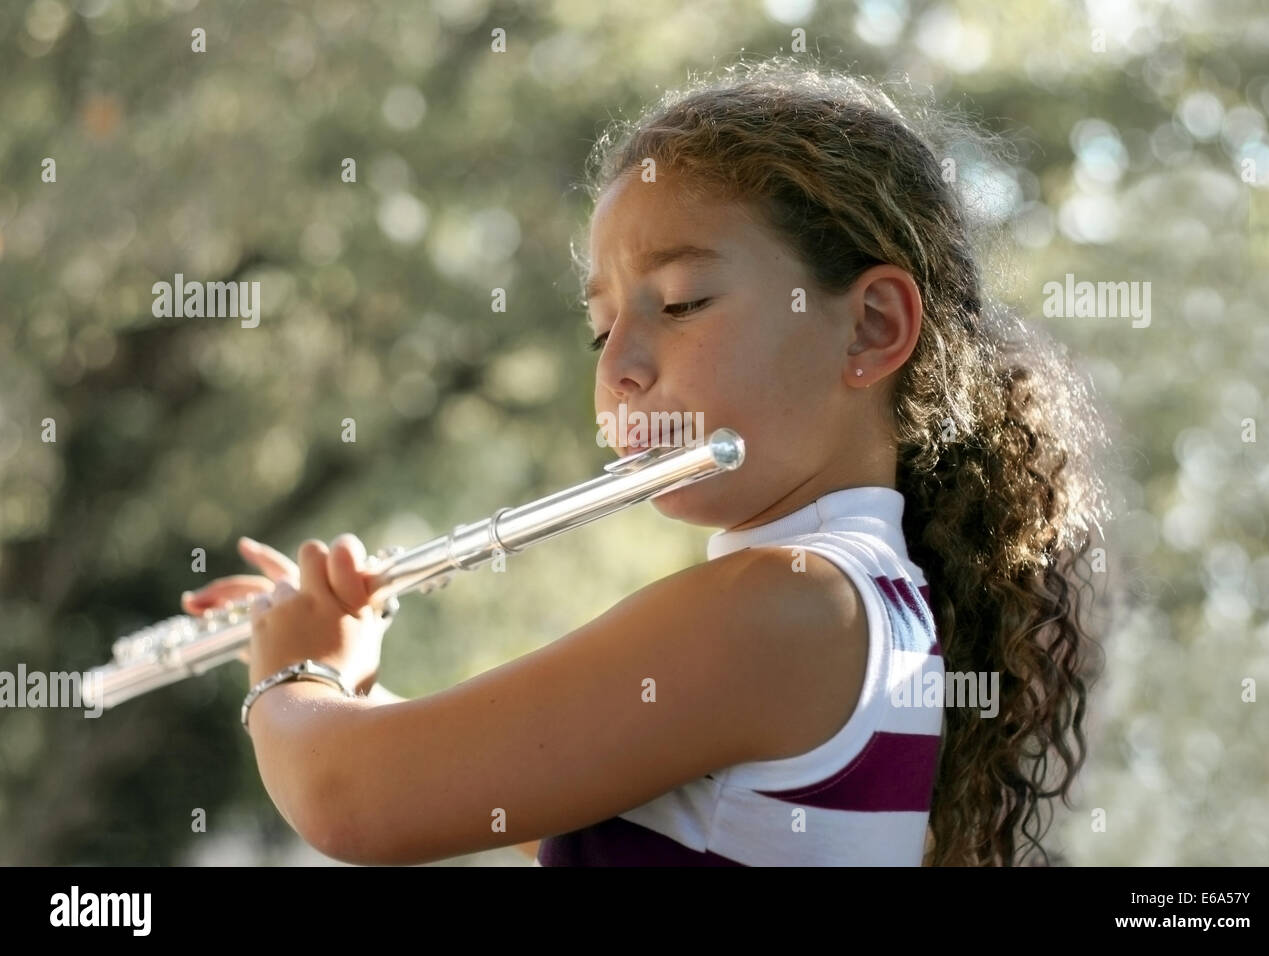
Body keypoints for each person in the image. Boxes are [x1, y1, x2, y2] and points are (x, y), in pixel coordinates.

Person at [183, 57, 1110, 867]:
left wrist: (290, 675)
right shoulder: (864, 599)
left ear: (870, 326)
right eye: (600, 327)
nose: (619, 367)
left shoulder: (791, 604)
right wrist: (351, 682)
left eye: (680, 302)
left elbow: (353, 801)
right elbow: (559, 789)